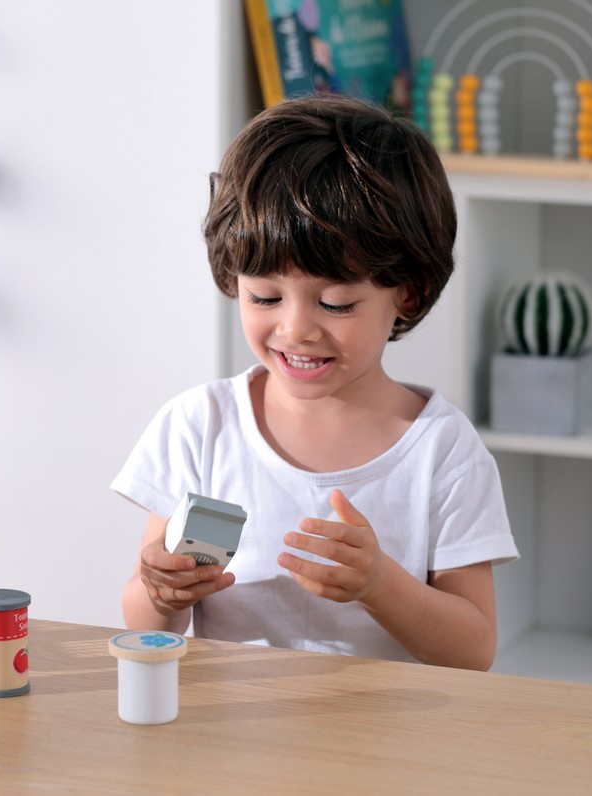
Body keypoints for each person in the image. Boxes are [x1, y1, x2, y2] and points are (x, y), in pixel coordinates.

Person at [112, 95, 519, 671]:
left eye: (335, 303)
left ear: (409, 293)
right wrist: (161, 592)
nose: (296, 329)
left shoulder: (443, 452)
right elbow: (145, 625)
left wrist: (380, 585)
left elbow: (472, 652)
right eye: (264, 297)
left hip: (379, 727)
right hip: (230, 724)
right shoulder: (199, 426)